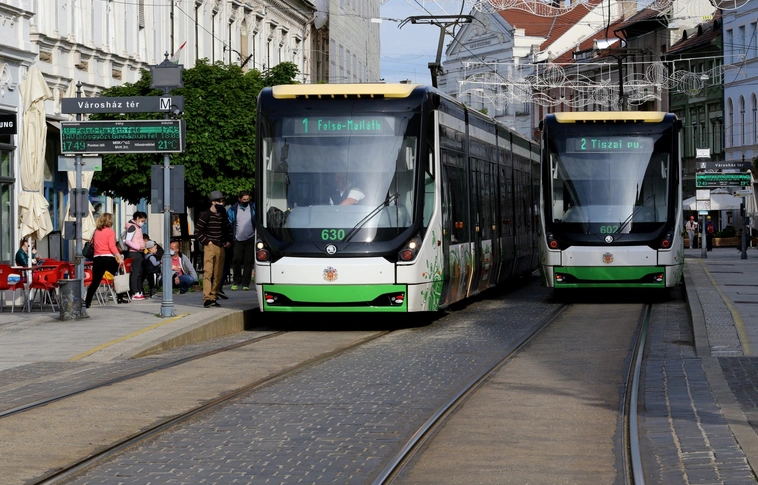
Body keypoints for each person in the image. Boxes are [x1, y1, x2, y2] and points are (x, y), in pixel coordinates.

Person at [195, 190, 233, 308]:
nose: (221, 203)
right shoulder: (205, 214)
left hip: (221, 246)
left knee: (218, 274)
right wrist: (207, 241)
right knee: (208, 272)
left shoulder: (223, 213)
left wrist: (228, 241)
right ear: (213, 202)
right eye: (219, 201)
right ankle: (207, 298)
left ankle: (213, 297)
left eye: (222, 201)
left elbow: (228, 228)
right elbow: (197, 232)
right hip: (210, 246)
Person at [84, 213, 125, 308]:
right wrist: (119, 257)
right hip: (108, 258)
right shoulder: (110, 232)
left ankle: (87, 302)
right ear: (110, 221)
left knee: (95, 281)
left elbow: (93, 244)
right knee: (118, 276)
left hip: (97, 258)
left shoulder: (96, 231)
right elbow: (112, 246)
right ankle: (120, 297)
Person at [227, 190, 256, 291]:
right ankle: (237, 281)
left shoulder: (253, 207)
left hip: (251, 238)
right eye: (244, 199)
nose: (246, 201)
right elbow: (229, 223)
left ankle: (246, 283)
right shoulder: (233, 209)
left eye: (248, 199)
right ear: (239, 199)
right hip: (238, 238)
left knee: (248, 261)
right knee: (236, 259)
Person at [123, 211, 148, 300]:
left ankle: (139, 291)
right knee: (135, 273)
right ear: (137, 218)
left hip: (139, 252)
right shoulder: (132, 227)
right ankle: (134, 292)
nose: (143, 223)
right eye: (142, 221)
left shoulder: (137, 227)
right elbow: (128, 241)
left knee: (139, 273)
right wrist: (138, 247)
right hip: (134, 252)